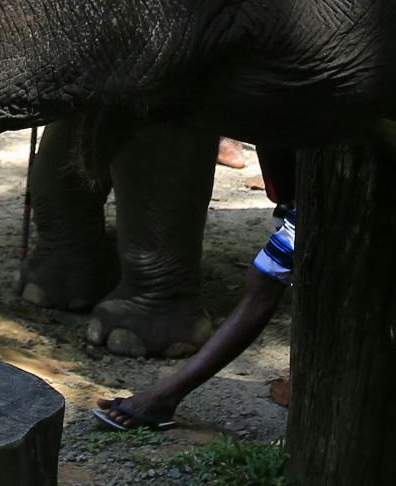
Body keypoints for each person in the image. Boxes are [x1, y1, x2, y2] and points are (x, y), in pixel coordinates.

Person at [94, 143, 296, 432]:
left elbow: (262, 295)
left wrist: (165, 392)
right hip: (298, 195)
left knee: (263, 282)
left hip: (320, 196)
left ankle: (167, 395)